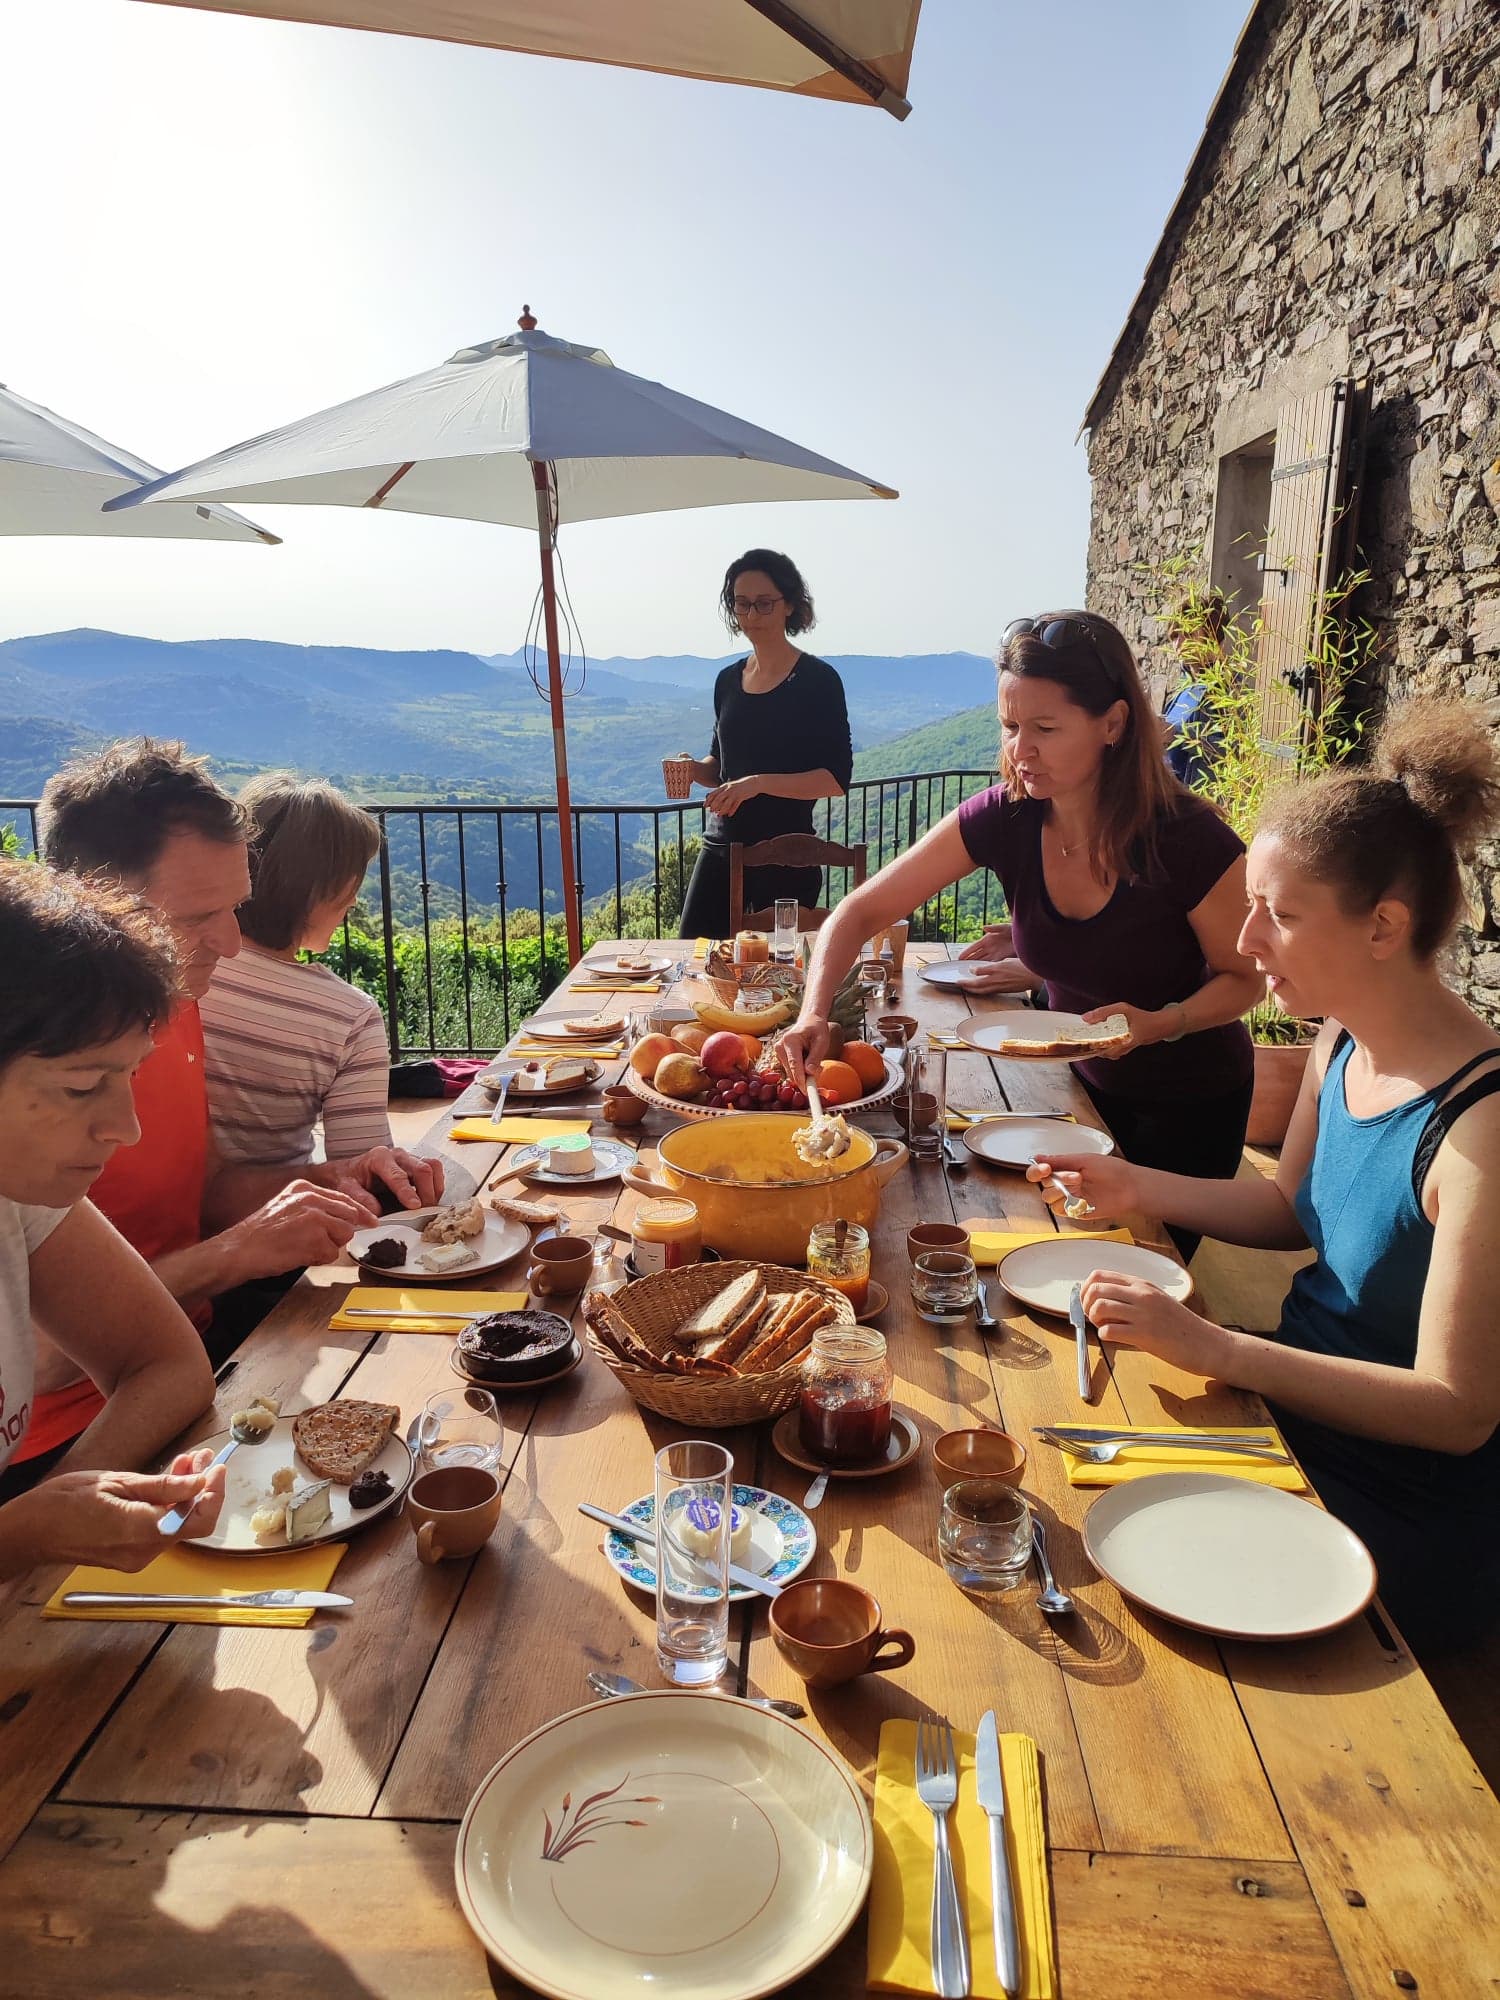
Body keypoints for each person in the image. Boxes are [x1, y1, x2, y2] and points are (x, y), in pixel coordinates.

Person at [1029, 698, 1500, 1656]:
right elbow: (1291, 1208)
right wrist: (1135, 1186)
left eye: (1279, 916)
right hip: (1291, 1417)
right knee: (1048, 1492)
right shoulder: (1341, 1041)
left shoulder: (1481, 1127)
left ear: (1384, 928)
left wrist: (1221, 1350)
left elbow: (1457, 1413)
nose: (1245, 944)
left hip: (1397, 1502)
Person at [782, 610, 1264, 1256]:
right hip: (1078, 1094)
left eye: (1044, 728)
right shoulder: (1007, 818)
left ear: (1113, 724)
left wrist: (1157, 1023)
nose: (1020, 750)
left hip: (1187, 1108)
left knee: (1133, 1272)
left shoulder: (1186, 838)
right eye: (1009, 727)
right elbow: (858, 913)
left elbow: (1246, 979)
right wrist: (814, 1014)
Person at [18, 740, 443, 1468]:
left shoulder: (175, 1005)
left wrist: (327, 1180)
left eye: (236, 909)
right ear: (86, 909)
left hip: (199, 1360)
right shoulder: (32, 1066)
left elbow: (211, 1189)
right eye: (196, 916)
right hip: (67, 1433)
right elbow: (50, 1357)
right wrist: (231, 1257)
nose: (231, 943)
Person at [0, 861, 225, 1570]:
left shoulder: (21, 1196)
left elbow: (165, 1361)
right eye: (80, 1085)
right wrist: (20, 1539)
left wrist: (69, 1508)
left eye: (127, 1076)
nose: (126, 1127)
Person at [200, 774, 391, 1167]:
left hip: (163, 1211)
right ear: (316, 888)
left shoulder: (181, 974)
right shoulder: (350, 1018)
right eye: (351, 880)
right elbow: (367, 1168)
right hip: (287, 1213)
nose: (354, 900)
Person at [675, 550, 853, 937]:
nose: (752, 614)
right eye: (741, 604)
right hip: (722, 848)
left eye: (764, 603)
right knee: (693, 958)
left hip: (788, 853)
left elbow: (835, 779)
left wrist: (756, 783)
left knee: (780, 978)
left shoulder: (818, 681)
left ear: (789, 604)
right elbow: (721, 768)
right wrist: (695, 770)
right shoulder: (727, 680)